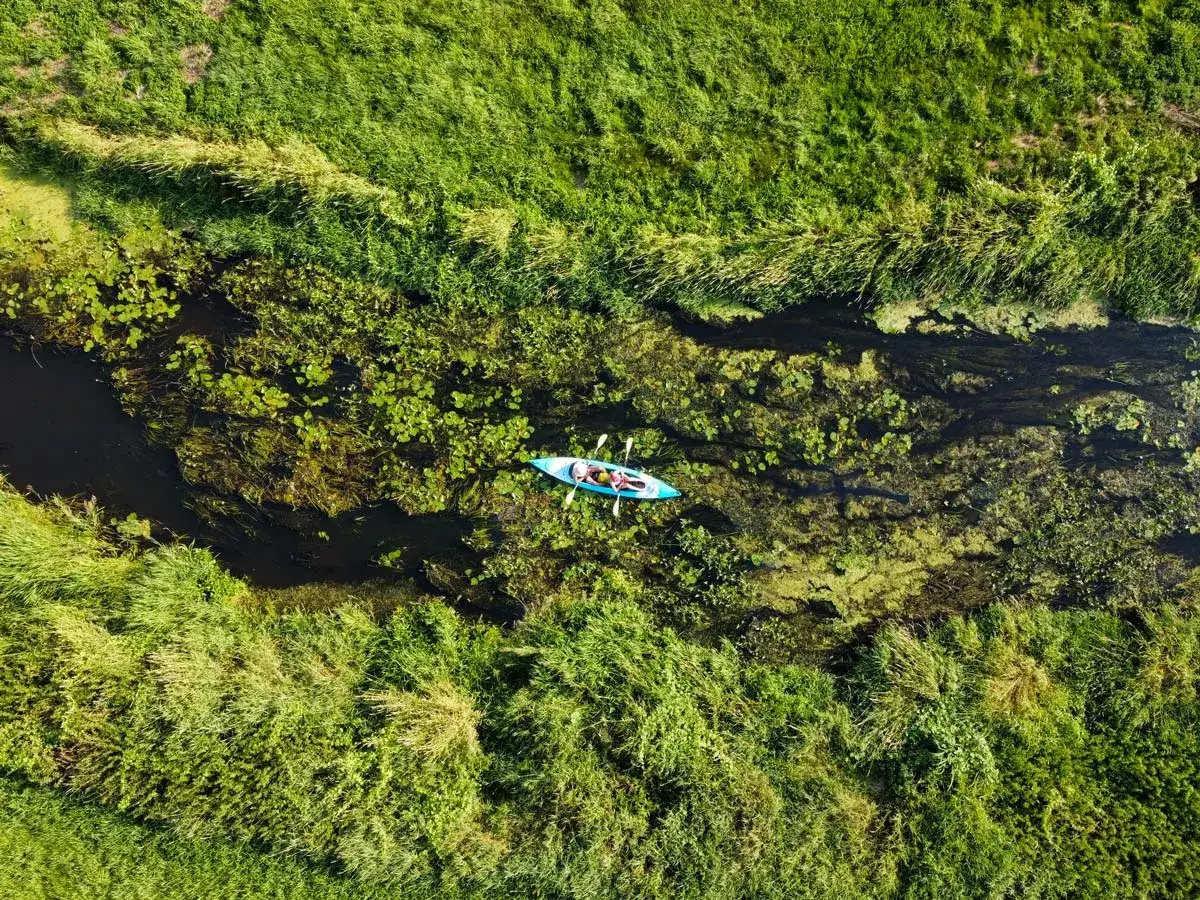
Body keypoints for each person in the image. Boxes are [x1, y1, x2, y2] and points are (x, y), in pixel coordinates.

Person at [569, 460, 646, 492]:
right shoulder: (576, 473)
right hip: (593, 477)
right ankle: (640, 487)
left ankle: (640, 484)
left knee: (600, 468)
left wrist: (622, 475)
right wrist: (584, 476)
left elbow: (583, 462)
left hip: (601, 475)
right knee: (591, 481)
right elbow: (577, 482)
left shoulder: (615, 476)